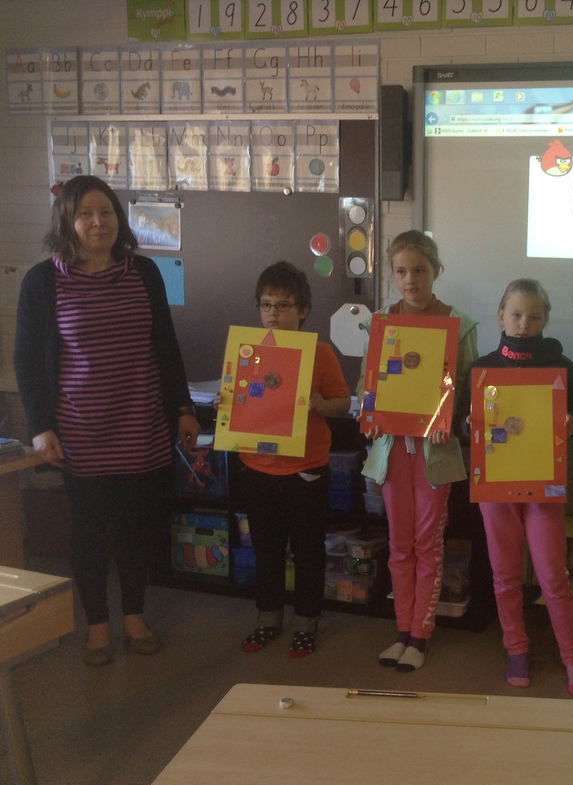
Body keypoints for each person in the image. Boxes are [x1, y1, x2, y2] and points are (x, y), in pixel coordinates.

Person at [14, 175, 201, 666]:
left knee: (138, 530)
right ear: (67, 221)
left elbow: (165, 345)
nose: (98, 223)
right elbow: (27, 360)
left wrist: (182, 409)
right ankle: (97, 624)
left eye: (107, 212)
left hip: (142, 425)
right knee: (90, 534)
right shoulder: (43, 281)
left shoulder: (143, 272)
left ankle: (134, 616)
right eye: (85, 214)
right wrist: (40, 425)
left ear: (119, 218)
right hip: (80, 433)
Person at [455, 279, 573, 695]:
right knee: (505, 575)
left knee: (553, 575)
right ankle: (516, 649)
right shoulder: (481, 368)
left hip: (543, 485)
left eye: (534, 316)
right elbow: (461, 422)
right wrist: (466, 425)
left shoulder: (562, 366)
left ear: (545, 320)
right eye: (516, 314)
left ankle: (572, 656)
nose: (523, 323)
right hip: (496, 485)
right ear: (501, 315)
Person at [361, 231, 478, 672]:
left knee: (428, 543)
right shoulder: (381, 322)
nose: (411, 279)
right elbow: (368, 382)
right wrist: (371, 416)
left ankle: (420, 636)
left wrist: (449, 420)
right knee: (399, 544)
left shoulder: (458, 323)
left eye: (420, 270)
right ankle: (402, 630)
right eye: (401, 271)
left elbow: (464, 386)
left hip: (434, 453)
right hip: (392, 449)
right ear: (392, 274)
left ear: (436, 271)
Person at [225, 262, 351, 658]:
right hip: (256, 468)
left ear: (303, 310)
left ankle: (306, 623)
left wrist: (322, 404)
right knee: (266, 550)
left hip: (304, 470)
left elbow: (343, 402)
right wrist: (227, 406)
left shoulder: (320, 353)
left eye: (283, 305)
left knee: (308, 551)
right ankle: (268, 618)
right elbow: (235, 397)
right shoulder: (248, 351)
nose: (273, 314)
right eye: (266, 305)